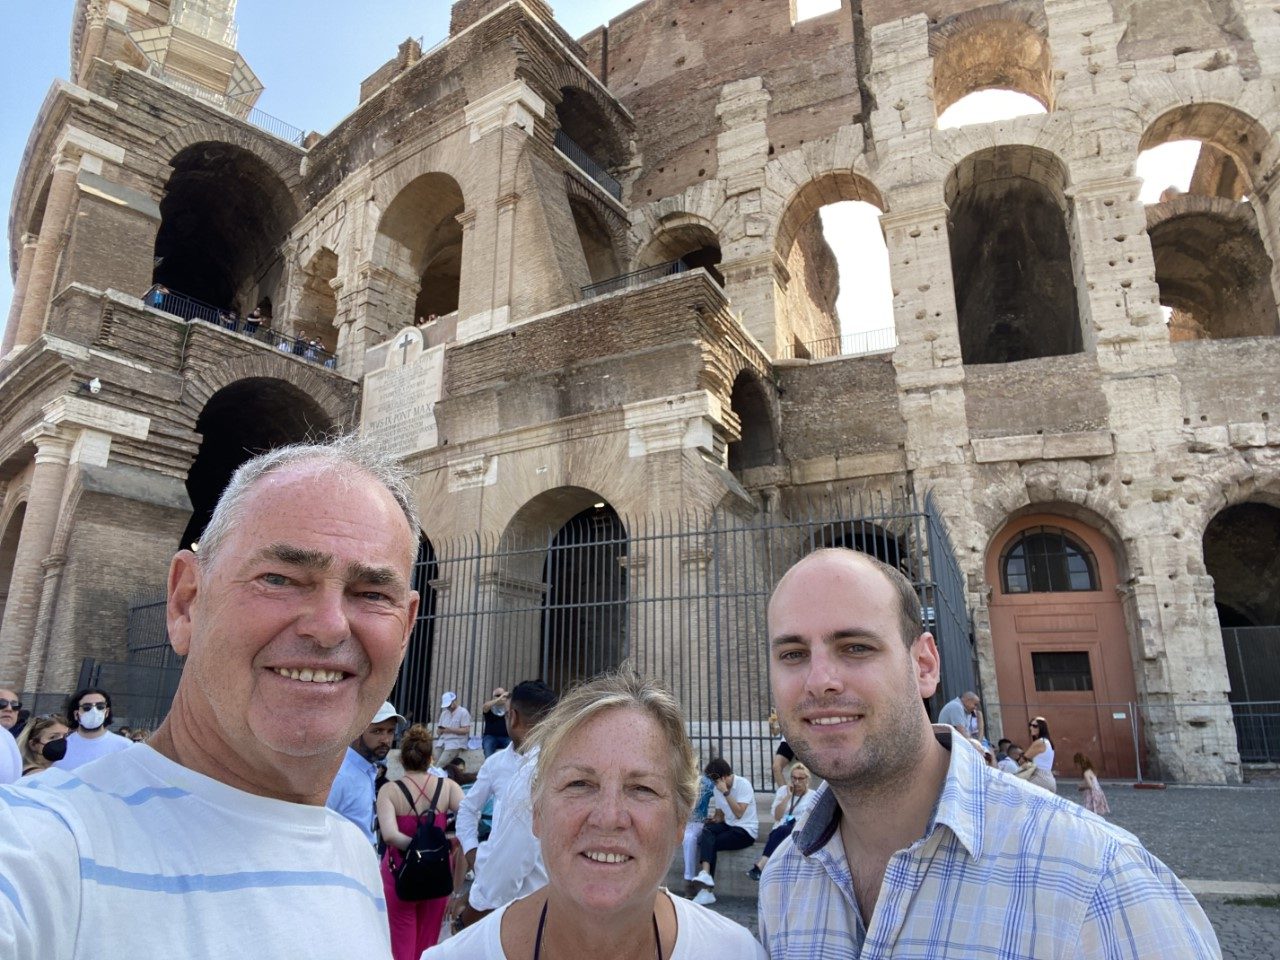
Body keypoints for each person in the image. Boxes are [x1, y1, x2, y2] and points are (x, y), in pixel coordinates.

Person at [0, 436, 423, 958]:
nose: (330, 626)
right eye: (279, 578)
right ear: (186, 601)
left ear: (406, 629)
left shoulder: (352, 853)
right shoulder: (36, 847)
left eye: (373, 594)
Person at [758, 548, 1220, 958]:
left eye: (856, 647)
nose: (819, 681)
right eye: (793, 654)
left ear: (924, 665)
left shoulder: (1101, 880)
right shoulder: (783, 881)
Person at [424, 671, 765, 959]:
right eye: (580, 784)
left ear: (680, 819)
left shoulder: (737, 953)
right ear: (537, 811)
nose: (609, 817)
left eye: (642, 788)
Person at [454, 680, 559, 928]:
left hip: (525, 899)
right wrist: (471, 851)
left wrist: (469, 916)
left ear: (513, 717)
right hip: (502, 889)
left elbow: (513, 859)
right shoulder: (497, 764)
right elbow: (468, 809)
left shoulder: (538, 772)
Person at [376, 723, 467, 960]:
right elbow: (469, 821)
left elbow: (389, 835)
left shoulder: (389, 791)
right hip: (437, 872)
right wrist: (443, 846)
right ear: (430, 758)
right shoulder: (448, 787)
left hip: (399, 873)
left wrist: (417, 849)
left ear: (401, 759)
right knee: (428, 946)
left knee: (400, 946)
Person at [327, 700, 405, 845]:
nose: (386, 740)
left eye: (390, 731)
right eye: (377, 731)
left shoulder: (367, 769)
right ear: (357, 731)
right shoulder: (339, 776)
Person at [690, 757, 757, 905]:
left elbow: (739, 813)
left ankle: (707, 891)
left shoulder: (743, 785)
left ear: (724, 776)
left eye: (716, 780)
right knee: (707, 832)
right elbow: (720, 816)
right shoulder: (717, 789)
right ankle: (705, 874)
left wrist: (726, 792)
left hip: (746, 830)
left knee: (711, 843)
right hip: (729, 825)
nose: (714, 784)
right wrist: (713, 820)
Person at [748, 762, 816, 881]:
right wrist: (788, 796)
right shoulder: (783, 791)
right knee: (782, 830)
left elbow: (812, 820)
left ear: (807, 780)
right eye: (794, 778)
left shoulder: (813, 796)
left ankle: (761, 865)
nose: (796, 782)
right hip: (780, 829)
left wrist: (797, 823)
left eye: (800, 778)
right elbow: (777, 816)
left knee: (784, 830)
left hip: (799, 831)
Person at [55, 688, 134, 770]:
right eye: (87, 707)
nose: (94, 711)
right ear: (76, 714)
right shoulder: (61, 747)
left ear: (106, 712)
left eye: (100, 707)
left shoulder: (125, 746)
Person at [682, 767, 716, 895]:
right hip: (680, 822)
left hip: (697, 823)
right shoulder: (678, 781)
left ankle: (689, 880)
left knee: (689, 838)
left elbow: (720, 794)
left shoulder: (705, 783)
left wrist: (718, 815)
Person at [436, 692, 472, 768]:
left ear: (454, 701)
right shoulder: (444, 714)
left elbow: (466, 730)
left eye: (449, 705)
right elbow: (438, 732)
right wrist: (440, 730)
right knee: (433, 763)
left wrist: (450, 730)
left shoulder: (463, 712)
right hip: (442, 742)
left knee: (440, 765)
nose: (448, 707)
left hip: (455, 743)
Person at [1024, 715, 1057, 792]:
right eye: (1030, 725)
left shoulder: (1040, 742)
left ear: (1042, 728)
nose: (1031, 728)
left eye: (1035, 726)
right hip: (1049, 778)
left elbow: (1023, 758)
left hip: (1039, 778)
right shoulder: (1048, 742)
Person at [481, 687, 511, 758]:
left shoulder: (508, 706)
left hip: (506, 737)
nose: (501, 697)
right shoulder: (490, 706)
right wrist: (499, 698)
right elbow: (485, 707)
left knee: (513, 752)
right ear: (493, 697)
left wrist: (508, 698)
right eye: (498, 695)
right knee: (488, 751)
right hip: (490, 736)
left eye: (503, 695)